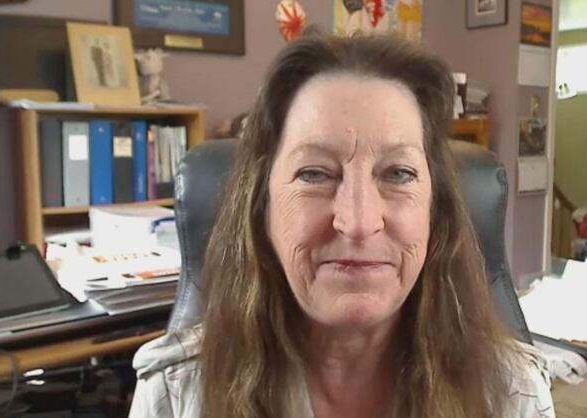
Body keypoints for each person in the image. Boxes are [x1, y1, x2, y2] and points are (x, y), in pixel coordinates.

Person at [128, 35, 554, 418]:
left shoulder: (513, 397)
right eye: (314, 174)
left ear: (435, 210)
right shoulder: (177, 395)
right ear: (260, 207)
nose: (358, 223)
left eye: (398, 174)